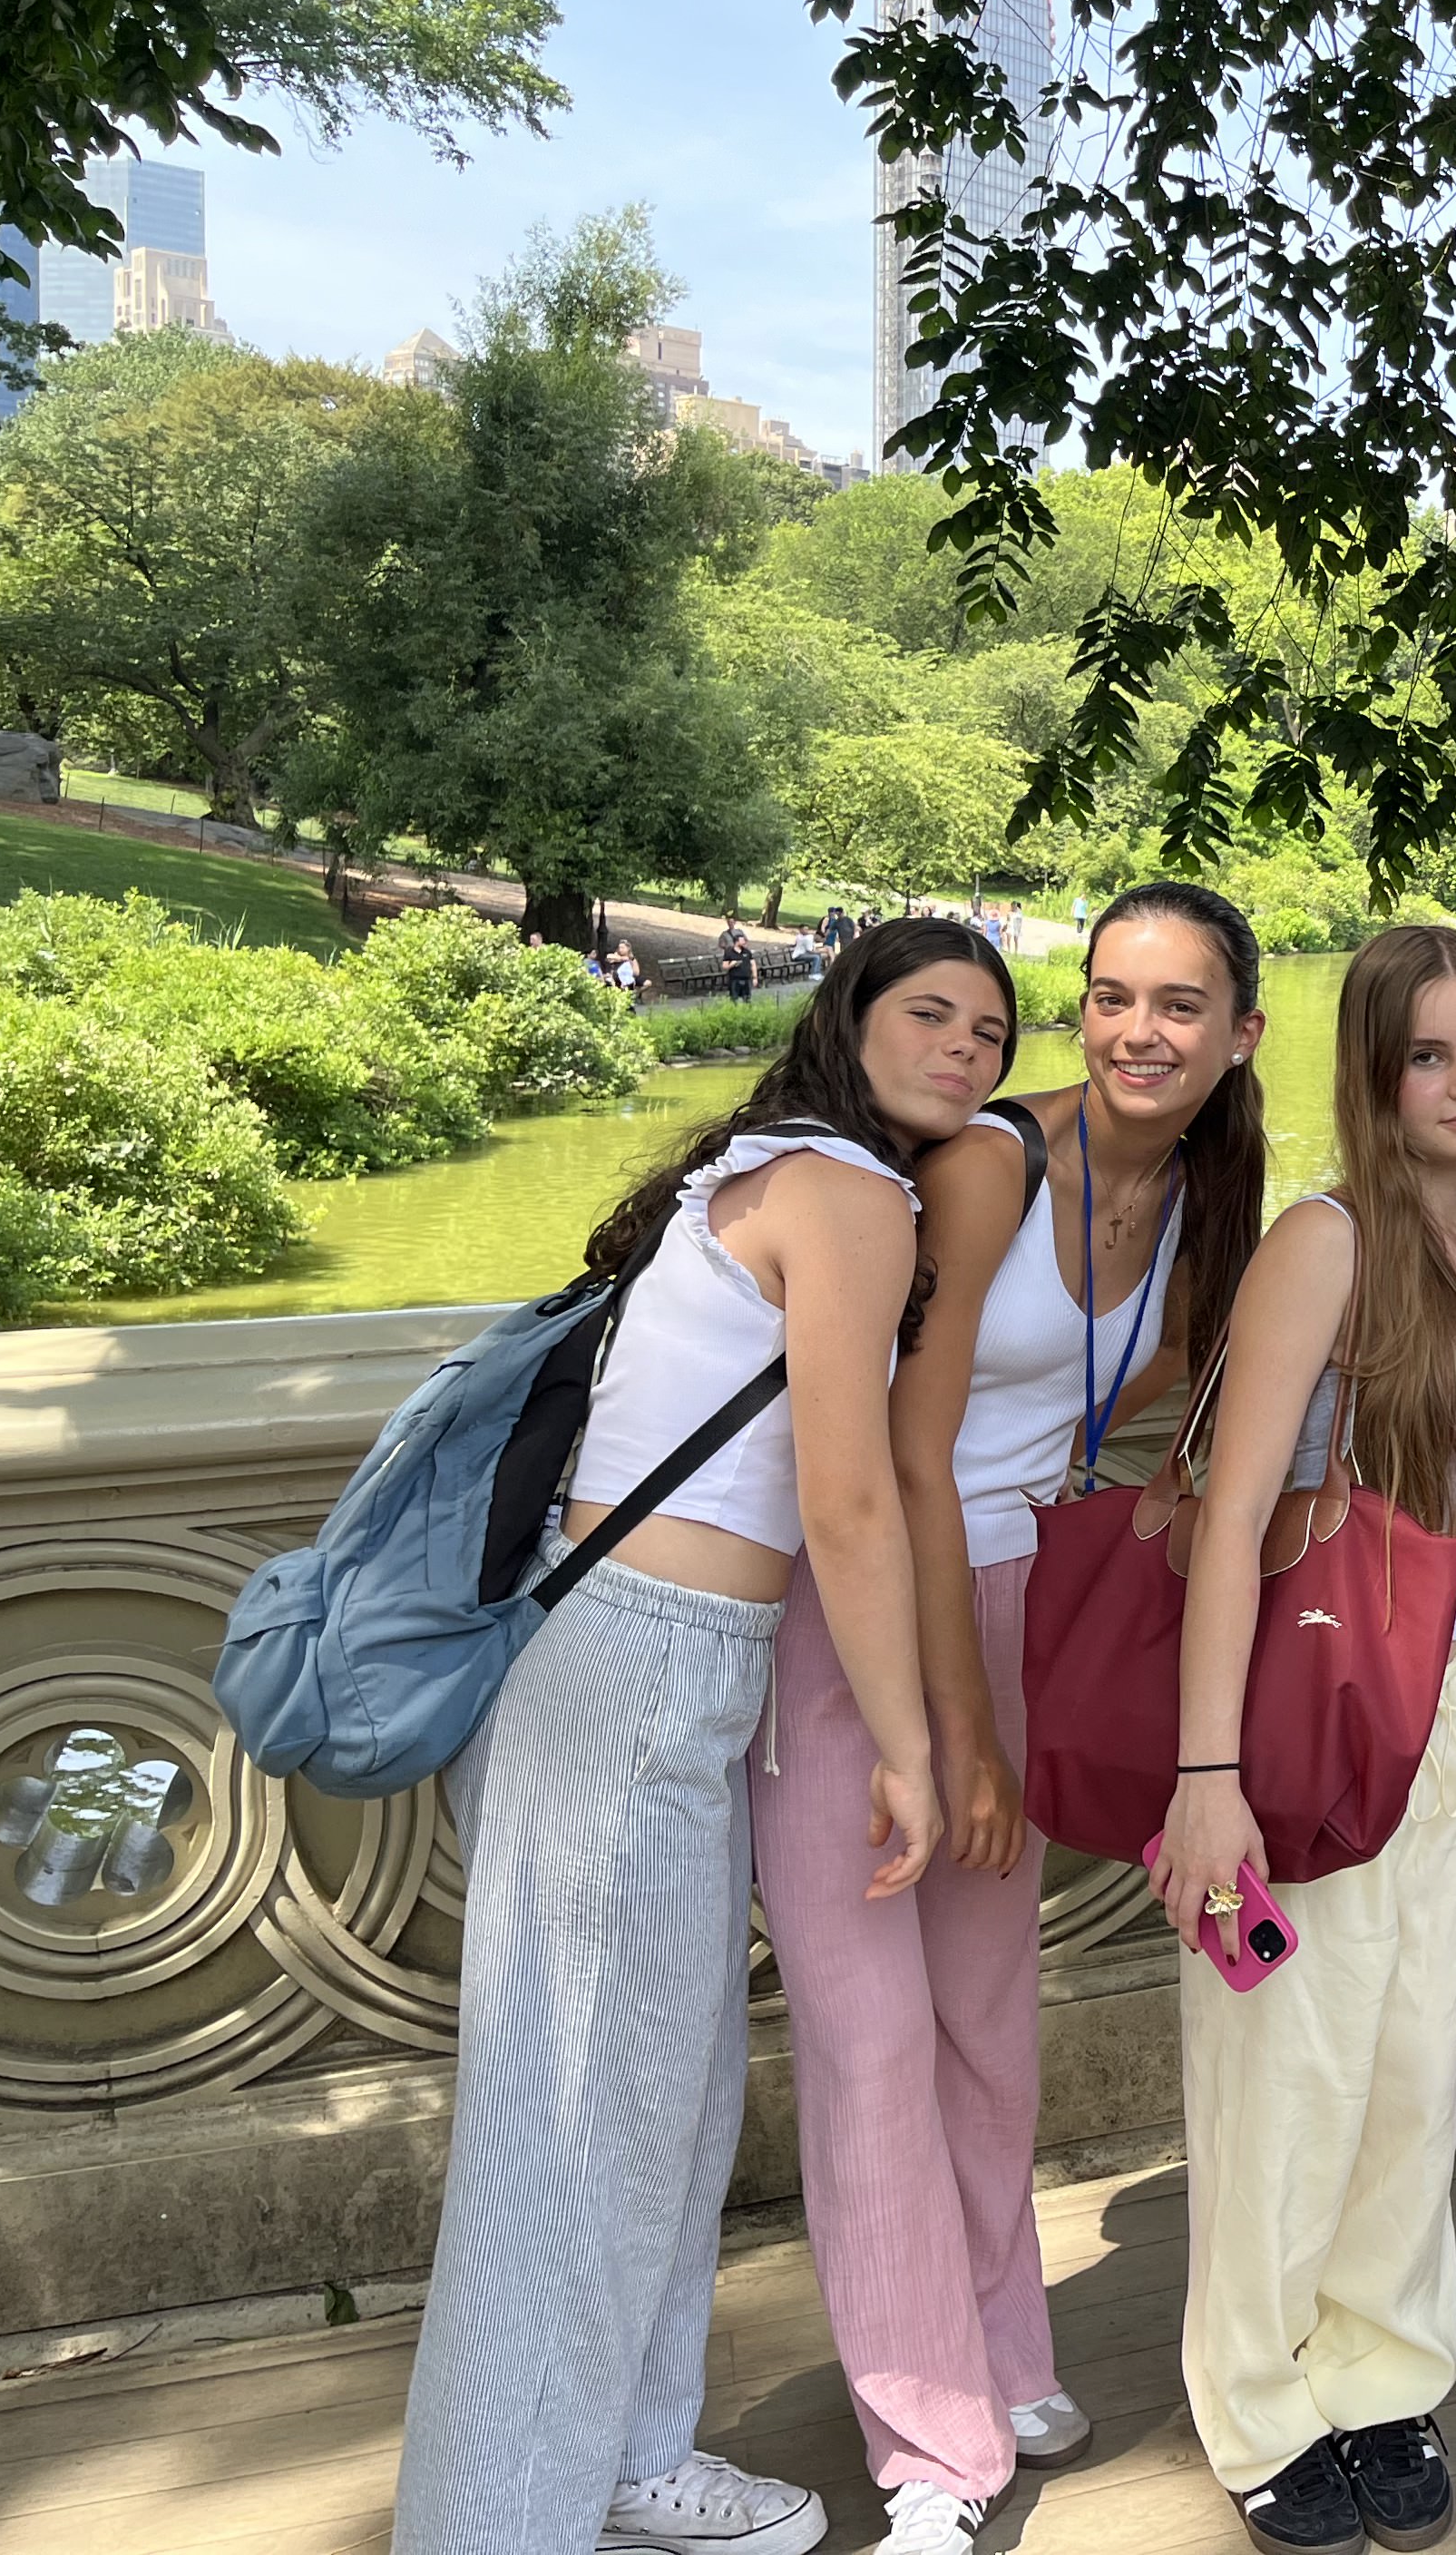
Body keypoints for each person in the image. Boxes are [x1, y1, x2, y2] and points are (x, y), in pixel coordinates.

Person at [395, 921, 999, 2555]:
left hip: (626, 1652)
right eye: (927, 1012)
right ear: (849, 1022)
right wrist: (909, 1743)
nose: (965, 1046)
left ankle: (627, 2457)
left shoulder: (748, 1161)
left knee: (661, 2095)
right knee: (576, 2122)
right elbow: (848, 1492)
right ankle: (493, 2519)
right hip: (640, 1664)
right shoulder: (855, 1192)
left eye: (991, 1029)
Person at [752, 891, 1268, 2552]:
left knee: (988, 2020)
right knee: (872, 2037)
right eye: (1111, 996)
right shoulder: (991, 1162)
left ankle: (1003, 2342)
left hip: (1019, 1611)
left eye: (1179, 1004)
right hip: (871, 1620)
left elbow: (1177, 1414)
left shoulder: (1206, 1194)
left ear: (1238, 1032)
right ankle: (927, 2442)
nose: (1137, 1031)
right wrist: (959, 1732)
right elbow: (908, 1456)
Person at [1150, 925, 1456, 2555]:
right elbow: (1231, 1513)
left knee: (1408, 2062)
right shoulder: (1323, 1243)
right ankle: (1256, 2395)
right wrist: (1207, 1782)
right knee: (1288, 2063)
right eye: (1430, 1055)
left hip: (1454, 1703)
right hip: (1308, 1709)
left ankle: (1383, 2363)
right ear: (1373, 1072)